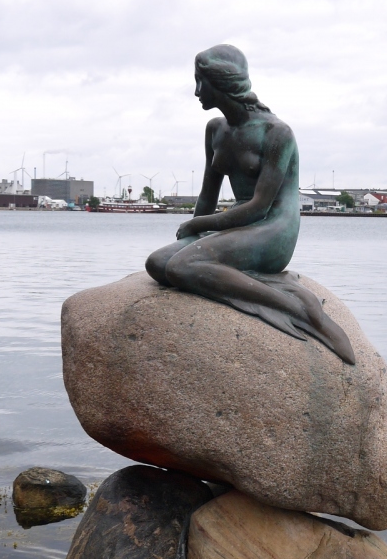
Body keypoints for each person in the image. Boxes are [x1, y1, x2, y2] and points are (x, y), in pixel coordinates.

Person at [145, 45, 356, 365]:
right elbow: (207, 195)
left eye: (201, 81)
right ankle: (253, 281)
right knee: (159, 263)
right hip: (238, 225)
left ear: (222, 83)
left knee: (181, 267)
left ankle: (300, 309)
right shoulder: (215, 129)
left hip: (272, 228)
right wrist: (193, 238)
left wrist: (197, 227)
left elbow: (259, 206)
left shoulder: (276, 132)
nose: (197, 91)